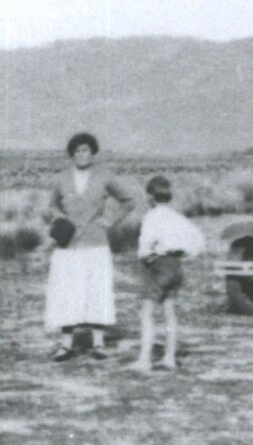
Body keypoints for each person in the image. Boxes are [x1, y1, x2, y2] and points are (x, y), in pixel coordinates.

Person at [44, 131, 136, 362]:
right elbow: (52, 205)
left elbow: (129, 201)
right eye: (76, 151)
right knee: (66, 293)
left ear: (92, 152)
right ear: (71, 155)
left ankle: (98, 344)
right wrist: (59, 220)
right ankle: (66, 345)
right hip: (68, 246)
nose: (81, 155)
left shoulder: (104, 177)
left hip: (96, 244)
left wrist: (110, 221)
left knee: (97, 292)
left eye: (85, 150)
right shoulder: (62, 179)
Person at [132, 175, 204, 373]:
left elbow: (145, 246)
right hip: (175, 266)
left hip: (158, 266)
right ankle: (169, 357)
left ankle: (144, 360)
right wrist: (185, 253)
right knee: (169, 312)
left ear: (149, 197)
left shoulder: (152, 217)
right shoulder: (178, 218)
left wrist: (145, 256)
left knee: (147, 312)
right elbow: (198, 239)